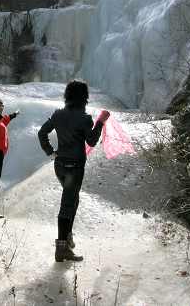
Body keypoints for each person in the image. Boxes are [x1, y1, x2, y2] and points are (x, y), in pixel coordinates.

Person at [38, 80, 110, 262]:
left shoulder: (58, 114)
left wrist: (50, 151)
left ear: (67, 95)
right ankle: (61, 248)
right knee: (68, 205)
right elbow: (92, 141)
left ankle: (67, 238)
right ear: (84, 97)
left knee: (73, 200)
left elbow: (41, 133)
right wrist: (100, 122)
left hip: (60, 166)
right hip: (74, 168)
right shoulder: (85, 119)